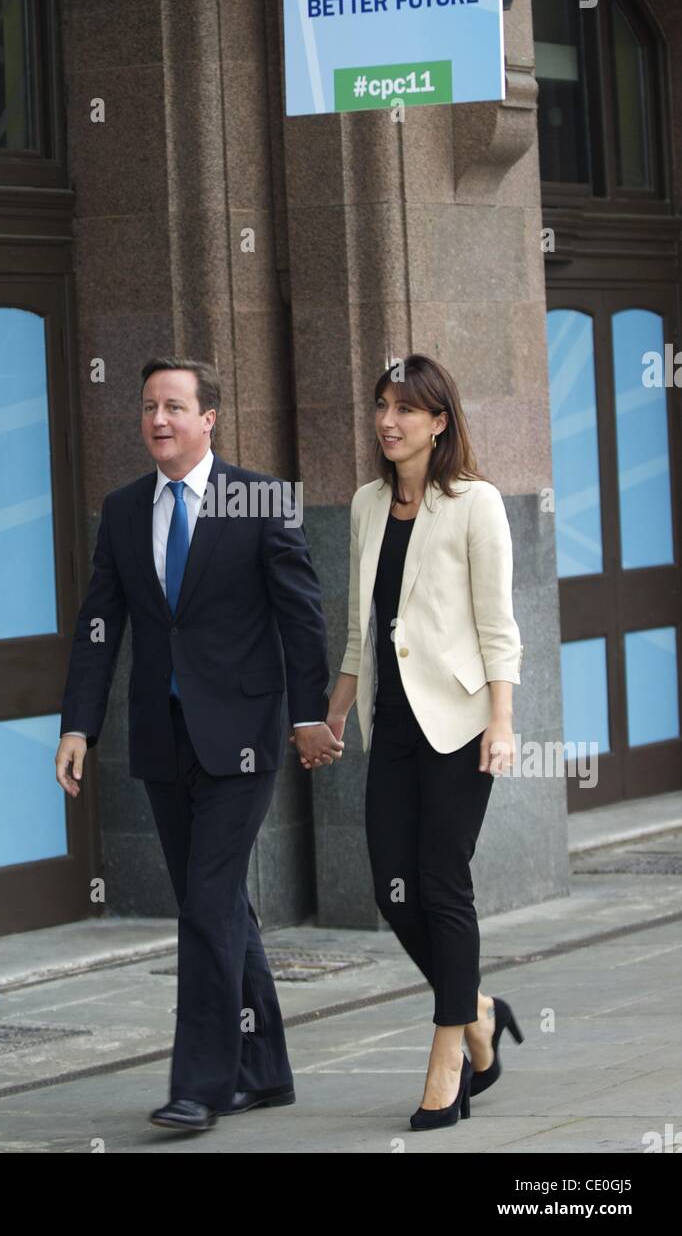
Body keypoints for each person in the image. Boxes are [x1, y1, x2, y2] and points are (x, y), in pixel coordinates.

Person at [55, 356, 343, 1132]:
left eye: (175, 406)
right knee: (214, 908)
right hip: (161, 737)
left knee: (207, 907)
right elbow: (98, 626)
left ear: (208, 417)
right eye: (148, 406)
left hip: (243, 739)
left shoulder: (259, 498)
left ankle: (200, 1086)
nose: (158, 420)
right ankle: (267, 1068)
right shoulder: (121, 511)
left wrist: (310, 715)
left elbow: (301, 618)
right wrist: (78, 724)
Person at [308, 354, 525, 1131]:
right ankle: (477, 1011)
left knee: (440, 883)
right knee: (389, 889)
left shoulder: (476, 503)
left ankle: (446, 1062)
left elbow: (499, 627)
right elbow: (363, 630)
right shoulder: (367, 503)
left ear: (440, 421)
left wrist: (501, 721)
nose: (388, 421)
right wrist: (334, 711)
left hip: (460, 726)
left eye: (405, 408)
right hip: (391, 727)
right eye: (381, 406)